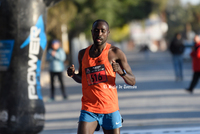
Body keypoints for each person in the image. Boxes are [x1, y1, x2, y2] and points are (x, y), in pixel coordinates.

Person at [67, 20, 135, 134]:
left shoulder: (115, 53)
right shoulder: (83, 54)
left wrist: (120, 72)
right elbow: (83, 79)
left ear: (108, 33)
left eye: (103, 31)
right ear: (92, 32)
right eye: (96, 31)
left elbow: (132, 81)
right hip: (89, 108)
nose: (99, 34)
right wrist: (73, 75)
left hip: (110, 108)